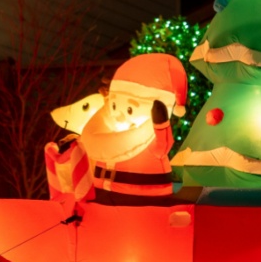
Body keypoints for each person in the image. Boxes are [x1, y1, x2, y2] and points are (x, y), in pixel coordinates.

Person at [77, 54, 187, 206]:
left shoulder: (148, 134)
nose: (120, 117)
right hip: (101, 193)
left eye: (129, 109)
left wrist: (161, 126)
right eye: (114, 106)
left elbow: (162, 147)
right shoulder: (108, 127)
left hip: (142, 198)